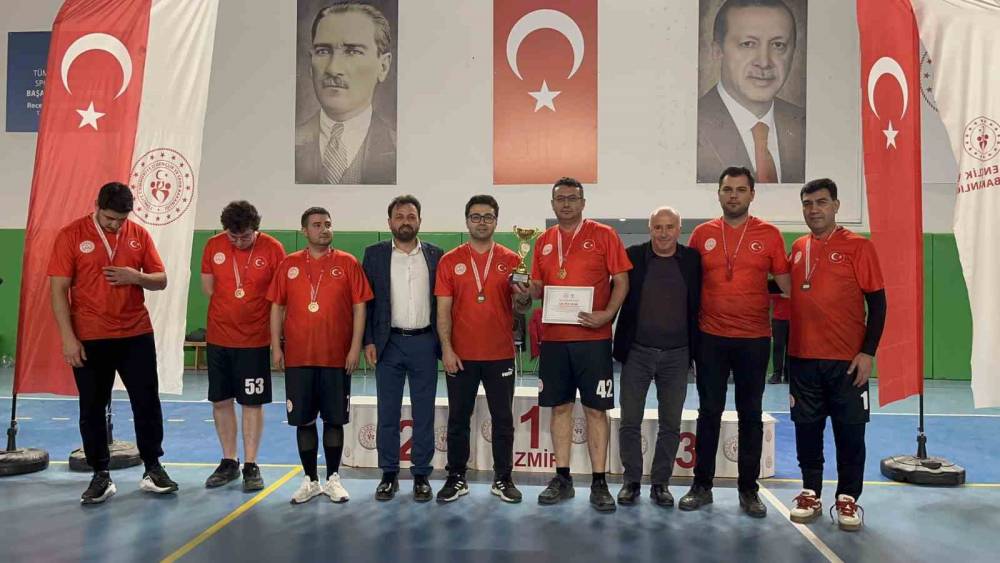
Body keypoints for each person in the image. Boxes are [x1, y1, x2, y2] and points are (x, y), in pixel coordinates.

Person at [48, 181, 177, 504]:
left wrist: (137, 277)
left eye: (121, 219)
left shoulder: (138, 235)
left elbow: (161, 280)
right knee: (92, 407)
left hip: (135, 333)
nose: (116, 225)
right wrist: (68, 338)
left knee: (146, 403)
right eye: (109, 219)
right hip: (90, 336)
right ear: (97, 207)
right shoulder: (71, 235)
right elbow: (58, 291)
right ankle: (100, 474)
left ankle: (153, 467)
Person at [680, 166, 791, 517]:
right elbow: (689, 285)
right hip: (710, 338)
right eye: (727, 189)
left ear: (752, 194)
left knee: (751, 415)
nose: (733, 195)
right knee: (709, 412)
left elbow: (788, 286)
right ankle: (702, 486)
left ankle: (749, 490)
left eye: (740, 190)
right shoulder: (702, 234)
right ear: (718, 193)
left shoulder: (770, 235)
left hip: (754, 339)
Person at [785, 178, 885, 532]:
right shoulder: (798, 247)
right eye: (808, 203)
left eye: (821, 202)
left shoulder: (859, 247)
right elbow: (783, 288)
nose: (814, 209)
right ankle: (810, 491)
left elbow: (878, 303)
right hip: (802, 358)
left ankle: (847, 497)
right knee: (806, 429)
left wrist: (867, 352)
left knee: (850, 431)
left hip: (846, 361)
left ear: (836, 206)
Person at [528, 177, 632, 512]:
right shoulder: (543, 241)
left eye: (572, 198)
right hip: (554, 341)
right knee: (559, 408)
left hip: (593, 340)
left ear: (583, 202)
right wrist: (525, 289)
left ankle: (599, 482)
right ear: (552, 203)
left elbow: (622, 281)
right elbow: (538, 288)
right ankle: (563, 478)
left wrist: (608, 314)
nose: (566, 203)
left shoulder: (604, 235)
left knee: (596, 410)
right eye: (560, 198)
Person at [268, 207, 372, 504]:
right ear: (304, 231)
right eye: (316, 225)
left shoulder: (347, 263)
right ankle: (310, 480)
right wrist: (276, 346)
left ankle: (333, 478)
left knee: (334, 420)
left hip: (336, 357)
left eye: (327, 224)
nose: (324, 229)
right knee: (303, 421)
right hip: (299, 357)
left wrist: (354, 347)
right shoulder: (288, 264)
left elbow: (360, 307)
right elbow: (277, 306)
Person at [435, 195, 533, 503]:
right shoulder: (449, 260)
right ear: (467, 221)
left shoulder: (511, 259)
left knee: (503, 420)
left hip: (500, 354)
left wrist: (524, 295)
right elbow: (443, 310)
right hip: (461, 356)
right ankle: (456, 477)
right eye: (476, 217)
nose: (481, 222)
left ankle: (503, 478)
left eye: (488, 217)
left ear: (496, 221)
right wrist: (447, 349)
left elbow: (522, 307)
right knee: (458, 420)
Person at [612, 206, 702, 507]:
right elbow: (612, 290)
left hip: (678, 355)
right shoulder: (633, 257)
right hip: (637, 352)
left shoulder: (692, 260)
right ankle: (631, 481)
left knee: (671, 425)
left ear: (679, 229)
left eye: (669, 227)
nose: (663, 233)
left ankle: (661, 483)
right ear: (650, 228)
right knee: (629, 421)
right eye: (658, 227)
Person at [200, 201, 286, 491]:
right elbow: (208, 287)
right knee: (221, 400)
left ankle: (251, 463)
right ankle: (229, 461)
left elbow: (280, 299)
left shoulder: (273, 249)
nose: (238, 242)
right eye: (232, 236)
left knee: (251, 402)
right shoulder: (213, 245)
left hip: (254, 340)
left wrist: (277, 341)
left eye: (245, 236)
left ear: (255, 229)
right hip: (219, 338)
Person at [363, 195, 442, 502]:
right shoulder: (374, 255)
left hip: (425, 342)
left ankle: (421, 475)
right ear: (389, 222)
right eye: (399, 216)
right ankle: (389, 474)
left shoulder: (436, 255)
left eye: (411, 216)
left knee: (424, 413)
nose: (405, 221)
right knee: (387, 412)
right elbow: (366, 303)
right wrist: (368, 340)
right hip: (388, 343)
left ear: (419, 220)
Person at [697, 0, 805, 184]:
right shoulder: (692, 123)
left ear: (793, 52)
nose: (764, 62)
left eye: (778, 45)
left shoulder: (805, 124)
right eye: (748, 44)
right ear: (717, 51)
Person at [295, 1, 396, 184]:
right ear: (310, 63)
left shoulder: (399, 149)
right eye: (323, 51)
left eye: (352, 51)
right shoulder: (288, 144)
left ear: (383, 67)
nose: (333, 69)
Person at [768, 292, 790, 384]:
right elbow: (769, 294)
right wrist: (780, 295)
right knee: (778, 347)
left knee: (791, 348)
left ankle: (788, 375)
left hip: (795, 319)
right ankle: (777, 374)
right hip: (778, 318)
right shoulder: (776, 283)